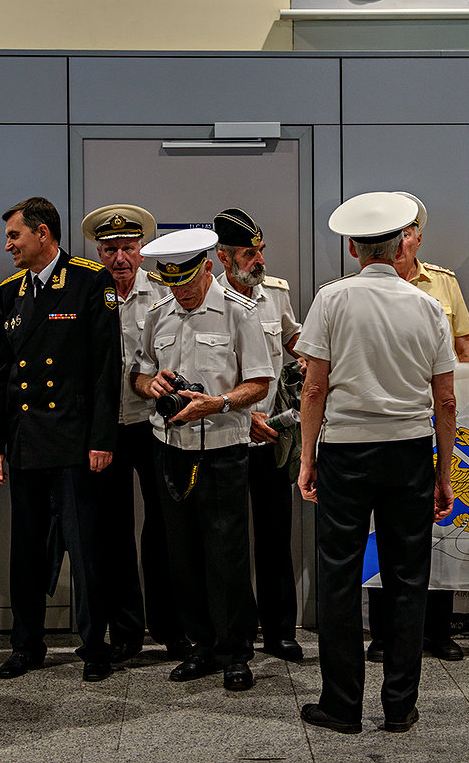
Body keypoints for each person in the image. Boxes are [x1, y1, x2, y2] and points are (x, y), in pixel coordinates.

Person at [297, 191, 456, 735]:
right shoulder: (428, 306)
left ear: (352, 248)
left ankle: (342, 706)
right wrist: (444, 471)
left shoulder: (331, 300)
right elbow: (447, 399)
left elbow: (314, 386)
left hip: (344, 450)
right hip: (410, 450)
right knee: (408, 579)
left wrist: (306, 457)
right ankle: (399, 706)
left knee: (339, 577)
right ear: (399, 246)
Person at [130, 227, 274, 691]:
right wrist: (149, 385)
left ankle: (235, 651)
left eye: (188, 282)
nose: (182, 292)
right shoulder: (158, 314)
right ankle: (201, 646)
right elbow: (139, 372)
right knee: (182, 553)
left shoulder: (239, 312)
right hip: (170, 448)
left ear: (207, 268)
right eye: (172, 283)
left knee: (226, 553)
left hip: (223, 449)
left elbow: (259, 382)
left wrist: (219, 403)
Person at [0, 196, 122, 682]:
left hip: (73, 442)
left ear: (43, 234)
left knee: (84, 550)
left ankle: (95, 645)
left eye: (14, 236)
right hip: (24, 443)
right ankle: (26, 644)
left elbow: (108, 368)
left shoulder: (89, 280)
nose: (8, 246)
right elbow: (1, 374)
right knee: (25, 549)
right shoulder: (9, 293)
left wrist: (102, 438)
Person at [368, 191, 469, 664]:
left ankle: (436, 630)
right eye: (398, 231)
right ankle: (383, 631)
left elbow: (466, 352)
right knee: (382, 533)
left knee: (434, 531)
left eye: (411, 231)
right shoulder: (360, 285)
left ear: (418, 237)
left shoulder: (444, 286)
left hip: (438, 421)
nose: (405, 239)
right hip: (385, 422)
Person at [83, 203, 189, 664]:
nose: (119, 259)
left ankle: (170, 627)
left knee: (165, 528)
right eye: (110, 250)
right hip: (107, 430)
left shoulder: (164, 294)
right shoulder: (87, 293)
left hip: (155, 425)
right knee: (112, 531)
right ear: (100, 253)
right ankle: (125, 629)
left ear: (142, 250)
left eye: (127, 248)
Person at [213, 207, 304, 662]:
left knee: (274, 538)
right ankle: (237, 633)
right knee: (228, 543)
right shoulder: (206, 299)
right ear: (224, 258)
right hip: (225, 436)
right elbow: (203, 373)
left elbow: (292, 340)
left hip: (272, 437)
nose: (259, 261)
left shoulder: (275, 294)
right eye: (250, 254)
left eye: (261, 251)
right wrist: (240, 415)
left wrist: (313, 359)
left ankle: (280, 631)